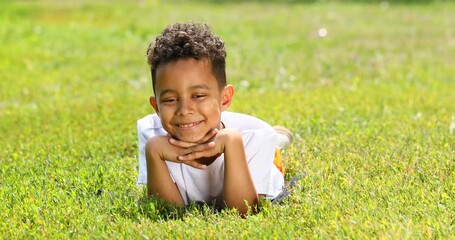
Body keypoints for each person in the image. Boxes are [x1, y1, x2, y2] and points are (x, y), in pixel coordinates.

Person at [137, 22, 293, 215]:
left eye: (198, 96)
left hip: (258, 144)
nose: (184, 110)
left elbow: (242, 212)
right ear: (156, 108)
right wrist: (154, 151)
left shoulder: (255, 137)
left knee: (274, 151)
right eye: (170, 99)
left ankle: (278, 139)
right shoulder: (151, 132)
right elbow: (167, 212)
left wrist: (233, 144)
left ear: (225, 98)